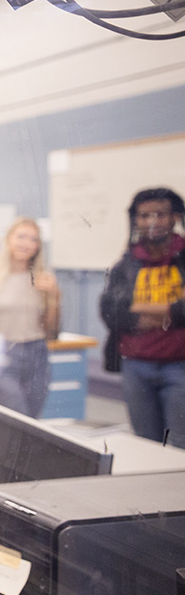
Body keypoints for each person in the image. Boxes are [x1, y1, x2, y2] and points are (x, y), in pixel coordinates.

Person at [100, 187, 185, 448]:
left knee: (179, 444)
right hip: (136, 367)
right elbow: (111, 311)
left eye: (160, 214)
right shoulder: (126, 264)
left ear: (175, 217)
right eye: (144, 215)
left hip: (179, 366)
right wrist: (170, 311)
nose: (152, 222)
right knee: (145, 444)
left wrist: (141, 307)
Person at [0, 218, 61, 418]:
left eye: (33, 239)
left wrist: (54, 297)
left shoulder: (43, 278)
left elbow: (52, 332)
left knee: (32, 421)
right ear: (8, 240)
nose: (26, 244)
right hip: (2, 355)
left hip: (37, 354)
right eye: (21, 237)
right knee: (16, 418)